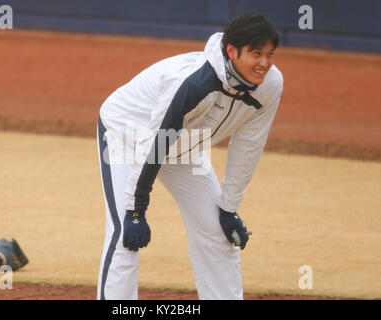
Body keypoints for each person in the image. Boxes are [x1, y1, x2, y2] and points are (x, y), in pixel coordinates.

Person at [96, 13, 283, 300]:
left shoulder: (270, 84)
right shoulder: (194, 82)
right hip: (129, 135)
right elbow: (157, 140)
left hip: (186, 145)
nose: (265, 63)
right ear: (232, 51)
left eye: (270, 54)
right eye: (256, 54)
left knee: (218, 231)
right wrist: (137, 208)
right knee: (125, 234)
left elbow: (249, 146)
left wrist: (229, 207)